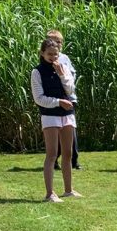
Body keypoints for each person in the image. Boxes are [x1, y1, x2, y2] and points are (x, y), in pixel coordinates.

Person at [31, 38, 81, 203]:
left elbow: (71, 89)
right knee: (52, 154)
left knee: (68, 153)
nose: (53, 57)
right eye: (50, 54)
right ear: (42, 53)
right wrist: (58, 102)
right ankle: (49, 193)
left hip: (67, 114)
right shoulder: (37, 72)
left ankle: (68, 190)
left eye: (56, 54)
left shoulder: (63, 67)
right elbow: (39, 98)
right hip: (50, 115)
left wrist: (62, 75)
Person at [47, 29, 80, 171]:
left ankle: (74, 160)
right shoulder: (46, 60)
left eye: (60, 42)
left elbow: (72, 75)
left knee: (70, 131)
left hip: (69, 98)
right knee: (55, 132)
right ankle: (54, 159)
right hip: (54, 100)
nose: (59, 44)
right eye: (56, 42)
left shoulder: (65, 58)